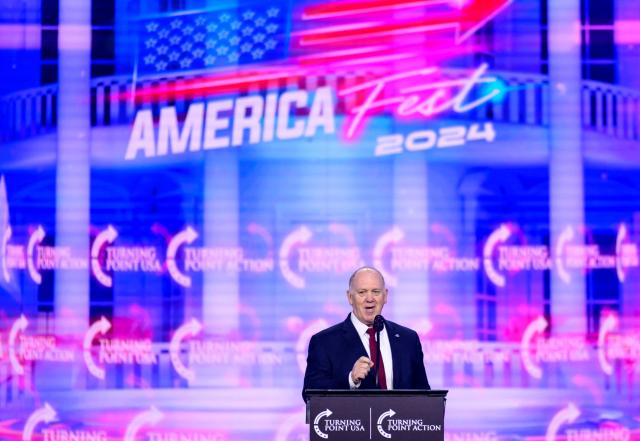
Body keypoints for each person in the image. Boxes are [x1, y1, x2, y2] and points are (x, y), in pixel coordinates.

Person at [302, 266, 430, 401]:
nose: (370, 299)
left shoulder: (408, 340)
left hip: (400, 421)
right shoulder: (324, 342)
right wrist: (350, 380)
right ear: (350, 297)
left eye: (376, 292)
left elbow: (424, 395)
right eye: (362, 292)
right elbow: (311, 394)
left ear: (385, 296)